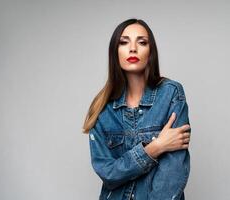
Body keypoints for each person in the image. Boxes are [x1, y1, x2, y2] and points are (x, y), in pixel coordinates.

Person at [82, 18, 191, 200]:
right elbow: (109, 174)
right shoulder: (102, 107)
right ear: (115, 52)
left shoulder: (171, 93)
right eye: (124, 42)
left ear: (151, 52)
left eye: (142, 42)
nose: (133, 48)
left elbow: (173, 171)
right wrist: (155, 147)